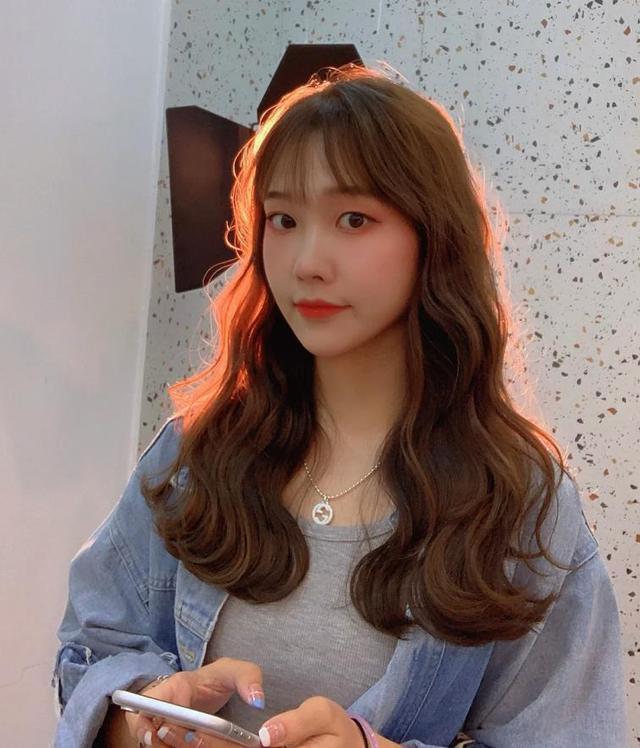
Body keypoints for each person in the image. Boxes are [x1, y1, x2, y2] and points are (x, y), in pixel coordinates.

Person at [52, 64, 628, 748]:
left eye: (354, 219)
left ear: (433, 236)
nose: (307, 262)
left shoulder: (519, 505)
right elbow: (88, 651)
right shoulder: (196, 453)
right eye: (284, 220)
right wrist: (145, 720)